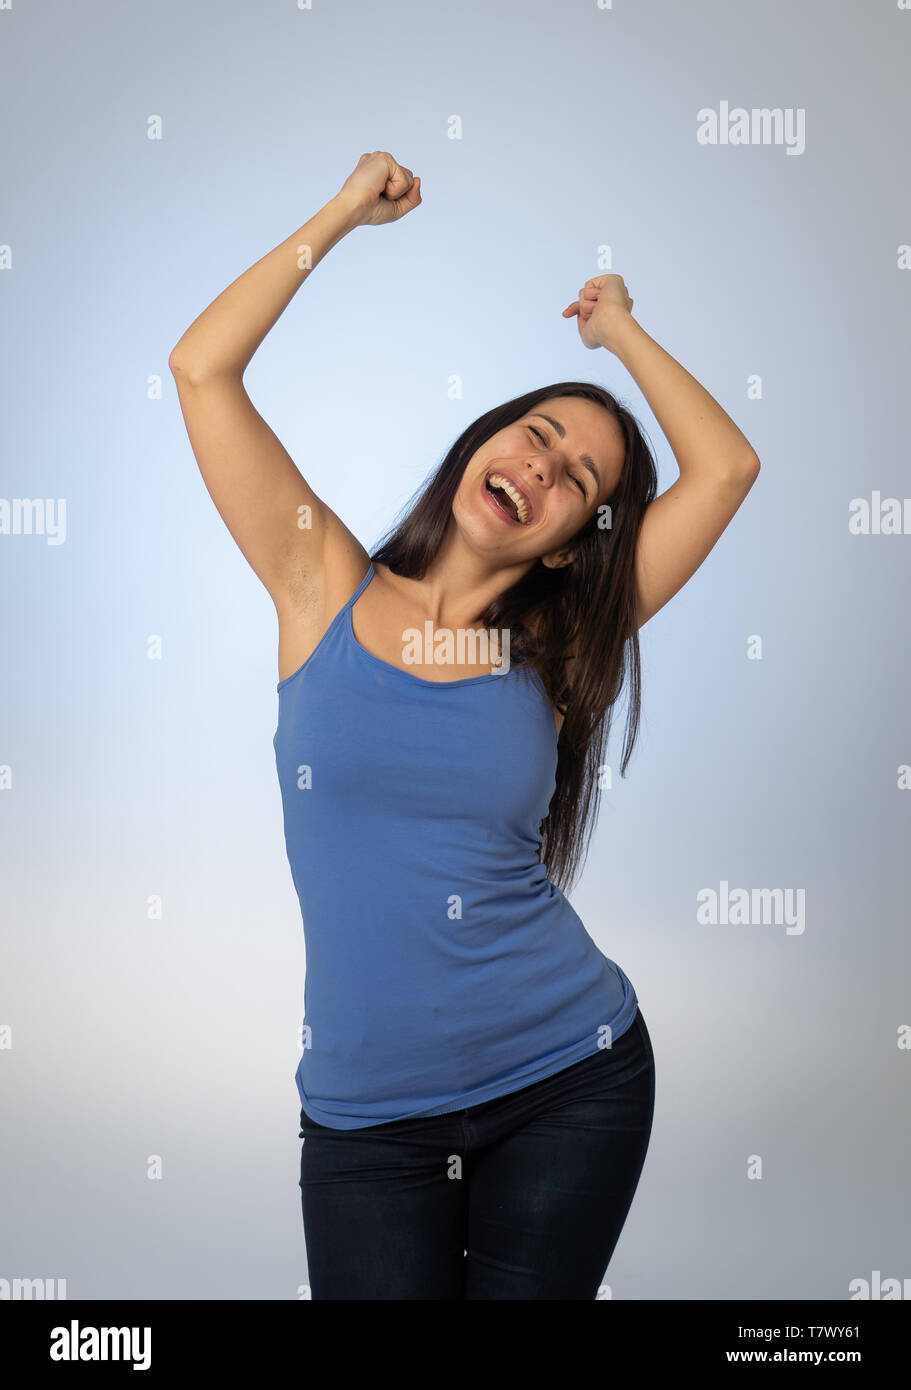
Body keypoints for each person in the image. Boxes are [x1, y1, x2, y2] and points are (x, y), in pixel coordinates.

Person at [169, 151, 760, 1300]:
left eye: (577, 479)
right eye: (537, 432)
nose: (543, 465)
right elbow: (201, 370)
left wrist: (619, 334)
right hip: (367, 1121)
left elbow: (726, 467)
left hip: (568, 1081)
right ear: (484, 443)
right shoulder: (318, 583)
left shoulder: (562, 646)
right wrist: (341, 215)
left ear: (565, 542)